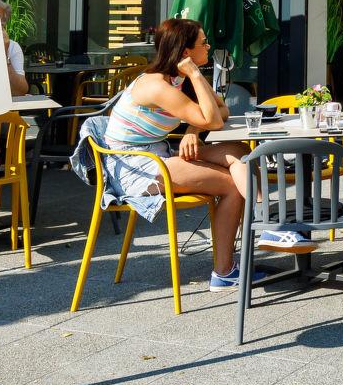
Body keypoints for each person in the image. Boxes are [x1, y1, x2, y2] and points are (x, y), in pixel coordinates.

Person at [103, 18, 265, 289]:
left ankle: (268, 221)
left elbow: (221, 109)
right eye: (204, 43)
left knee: (238, 150)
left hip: (158, 152)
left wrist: (191, 128)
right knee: (231, 186)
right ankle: (225, 271)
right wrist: (196, 76)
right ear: (186, 52)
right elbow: (213, 121)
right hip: (135, 166)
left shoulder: (177, 79)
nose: (209, 47)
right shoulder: (157, 85)